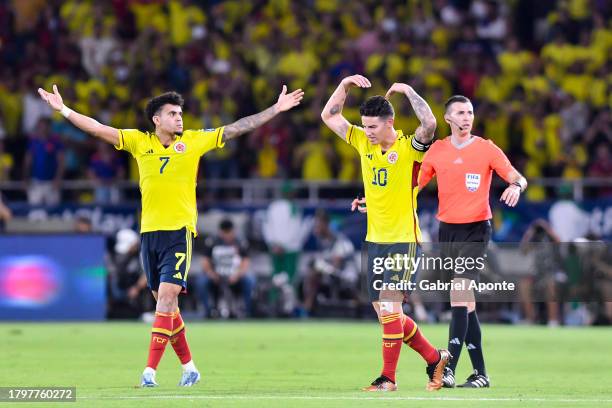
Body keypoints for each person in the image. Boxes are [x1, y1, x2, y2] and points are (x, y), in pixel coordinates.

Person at [37, 83, 303, 387]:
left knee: (164, 301)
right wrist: (64, 109)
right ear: (156, 120)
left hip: (179, 232)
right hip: (149, 235)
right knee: (169, 310)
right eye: (172, 114)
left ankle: (149, 371)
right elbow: (98, 128)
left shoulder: (193, 141)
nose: (179, 118)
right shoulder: (139, 142)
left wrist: (275, 109)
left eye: (180, 113)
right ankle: (190, 367)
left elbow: (235, 128)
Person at [321, 74, 450, 392]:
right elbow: (329, 116)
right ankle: (435, 358)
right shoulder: (363, 142)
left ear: (389, 122)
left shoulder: (410, 148)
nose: (367, 132)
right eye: (364, 126)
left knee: (391, 310)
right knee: (388, 317)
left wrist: (408, 90)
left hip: (403, 239)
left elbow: (430, 123)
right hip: (374, 241)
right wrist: (345, 84)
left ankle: (387, 379)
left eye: (373, 126)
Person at [418, 95, 528, 388]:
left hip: (477, 229)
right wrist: (377, 201)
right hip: (448, 232)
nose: (467, 117)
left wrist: (516, 186)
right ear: (448, 119)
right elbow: (414, 185)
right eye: (460, 113)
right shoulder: (438, 150)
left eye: (470, 112)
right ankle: (481, 374)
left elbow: (517, 177)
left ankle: (449, 367)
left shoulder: (486, 149)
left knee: (458, 291)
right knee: (466, 304)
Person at [196, 218, 255, 318]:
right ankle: (209, 311)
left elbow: (245, 261)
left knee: (249, 280)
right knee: (201, 282)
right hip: (216, 275)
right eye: (225, 232)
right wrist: (211, 274)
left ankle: (247, 311)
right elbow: (205, 260)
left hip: (235, 275)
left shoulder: (240, 242)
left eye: (229, 232)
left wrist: (237, 275)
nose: (227, 235)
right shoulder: (212, 241)